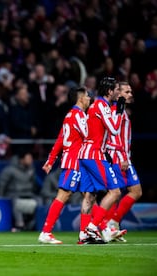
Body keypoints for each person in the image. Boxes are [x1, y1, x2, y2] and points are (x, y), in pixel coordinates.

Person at [38, 87, 91, 244]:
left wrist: (50, 161)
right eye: (88, 96)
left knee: (89, 195)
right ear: (80, 98)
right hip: (74, 160)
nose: (90, 99)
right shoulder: (79, 115)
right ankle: (46, 232)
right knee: (64, 194)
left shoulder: (70, 115)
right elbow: (89, 136)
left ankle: (85, 233)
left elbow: (61, 139)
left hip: (77, 161)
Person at [78, 77, 126, 243]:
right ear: (109, 91)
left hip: (85, 153)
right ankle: (92, 227)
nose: (118, 93)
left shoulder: (95, 105)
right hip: (94, 154)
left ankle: (83, 235)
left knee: (90, 196)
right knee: (115, 192)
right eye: (116, 90)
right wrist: (119, 110)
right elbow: (113, 129)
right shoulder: (101, 105)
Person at [99, 81, 141, 242]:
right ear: (118, 93)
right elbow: (112, 135)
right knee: (117, 193)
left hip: (124, 157)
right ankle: (106, 224)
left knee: (132, 192)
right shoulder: (115, 110)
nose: (130, 94)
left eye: (131, 91)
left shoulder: (122, 110)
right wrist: (123, 157)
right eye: (127, 91)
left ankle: (112, 223)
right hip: (117, 157)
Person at [0, 151, 40, 231]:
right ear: (21, 160)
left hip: (28, 194)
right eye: (28, 158)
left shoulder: (31, 169)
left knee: (39, 200)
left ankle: (35, 224)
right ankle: (19, 225)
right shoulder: (10, 170)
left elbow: (34, 184)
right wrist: (1, 197)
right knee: (16, 201)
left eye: (31, 158)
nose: (31, 160)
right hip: (13, 194)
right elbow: (2, 184)